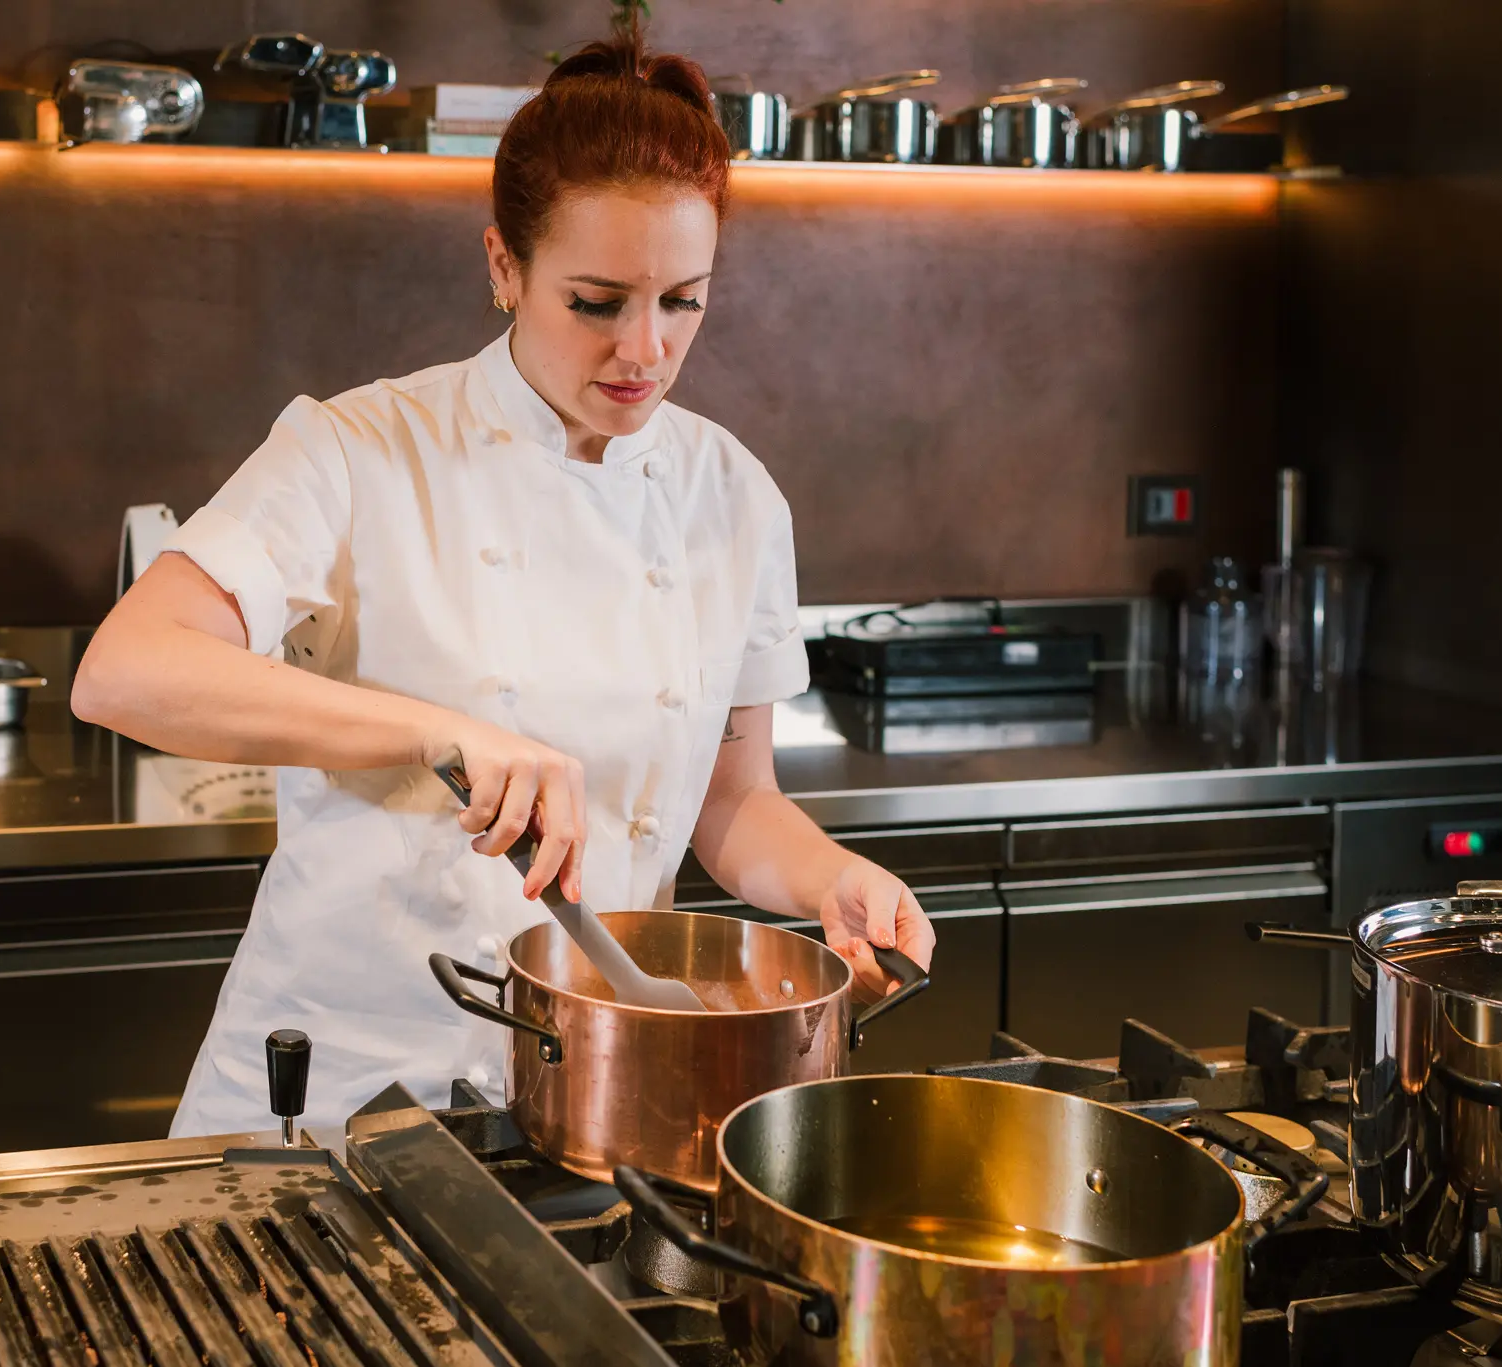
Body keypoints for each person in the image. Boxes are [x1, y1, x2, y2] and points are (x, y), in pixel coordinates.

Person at [71, 26, 937, 1136]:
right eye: (597, 301)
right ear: (503, 267)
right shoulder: (361, 449)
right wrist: (441, 733)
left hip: (590, 1098)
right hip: (332, 1093)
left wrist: (828, 879)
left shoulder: (733, 497)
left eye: (682, 300)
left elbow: (732, 803)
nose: (644, 350)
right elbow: (125, 671)